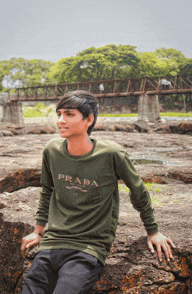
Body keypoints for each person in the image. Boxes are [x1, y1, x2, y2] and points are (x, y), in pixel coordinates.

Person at [21, 90, 175, 294]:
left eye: (69, 114)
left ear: (89, 119)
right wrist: (38, 230)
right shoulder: (52, 150)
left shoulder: (111, 154)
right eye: (59, 114)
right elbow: (47, 190)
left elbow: (138, 190)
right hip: (52, 244)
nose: (60, 120)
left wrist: (153, 231)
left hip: (88, 249)